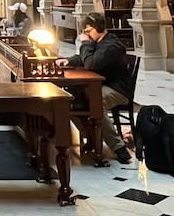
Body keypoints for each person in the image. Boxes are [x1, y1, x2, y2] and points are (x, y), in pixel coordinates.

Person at [57, 11, 133, 164]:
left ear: (99, 28)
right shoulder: (98, 42)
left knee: (96, 102)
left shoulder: (111, 46)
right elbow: (85, 58)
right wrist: (68, 60)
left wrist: (85, 43)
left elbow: (91, 64)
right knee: (72, 101)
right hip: (102, 85)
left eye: (89, 31)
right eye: (85, 32)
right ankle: (92, 138)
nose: (86, 35)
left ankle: (119, 148)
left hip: (117, 89)